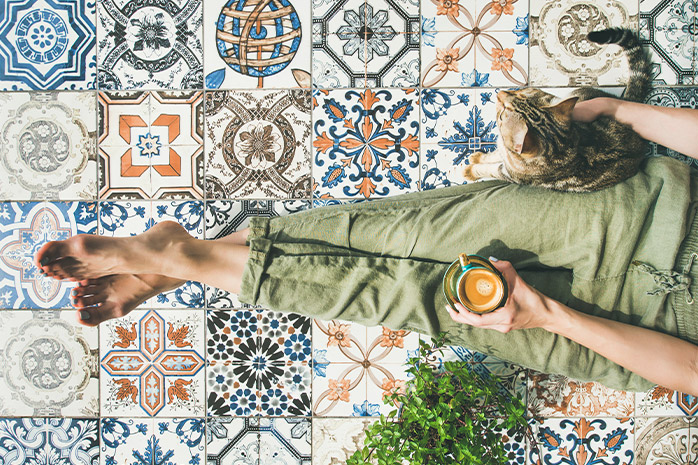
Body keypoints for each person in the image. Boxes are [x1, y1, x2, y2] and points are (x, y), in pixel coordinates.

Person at [35, 97, 698, 396]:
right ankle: (189, 258)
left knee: (410, 297)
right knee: (408, 229)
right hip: (645, 211)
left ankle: (186, 256)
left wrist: (548, 315)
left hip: (633, 328)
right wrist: (613, 113)